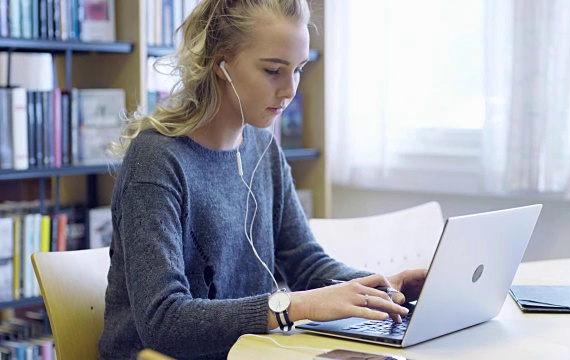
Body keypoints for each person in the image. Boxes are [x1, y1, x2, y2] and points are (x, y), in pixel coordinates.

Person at [99, 1, 427, 359]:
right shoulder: (156, 160)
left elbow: (306, 264)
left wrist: (378, 288)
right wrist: (294, 306)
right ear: (220, 63)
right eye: (274, 70)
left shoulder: (262, 148)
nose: (290, 90)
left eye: (298, 69)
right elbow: (164, 322)